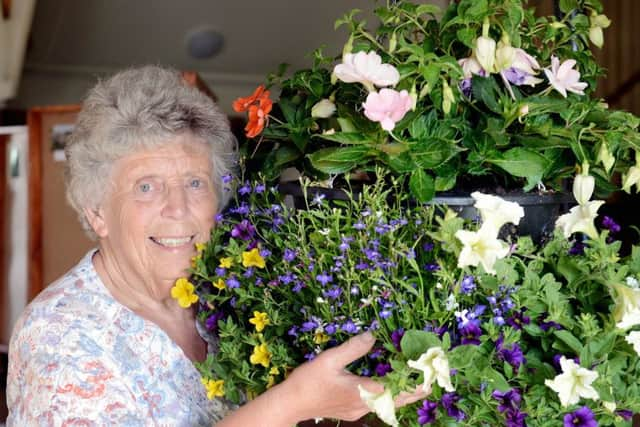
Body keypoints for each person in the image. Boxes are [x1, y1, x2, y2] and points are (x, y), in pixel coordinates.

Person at [6, 66, 423, 426]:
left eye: (194, 183)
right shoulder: (60, 335)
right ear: (97, 211)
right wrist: (293, 402)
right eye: (146, 187)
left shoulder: (227, 293)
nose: (178, 209)